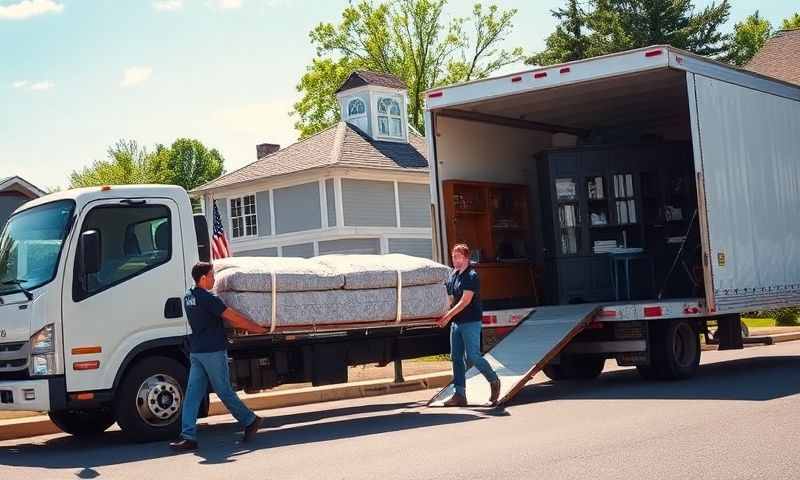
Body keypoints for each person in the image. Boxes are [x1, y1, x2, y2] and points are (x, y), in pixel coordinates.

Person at [169, 262, 268, 452]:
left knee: (192, 395)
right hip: (213, 351)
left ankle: (188, 435)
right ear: (203, 278)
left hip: (197, 352)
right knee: (224, 391)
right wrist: (257, 328)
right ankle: (250, 420)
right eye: (212, 276)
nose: (214, 279)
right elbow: (232, 316)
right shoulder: (208, 298)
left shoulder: (188, 296)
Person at [437, 244, 501, 407]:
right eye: (453, 256)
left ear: (466, 258)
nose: (454, 259)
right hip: (457, 323)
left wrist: (448, 316)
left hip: (471, 321)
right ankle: (459, 395)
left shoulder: (471, 276)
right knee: (456, 358)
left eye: (457, 256)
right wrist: (442, 313)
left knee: (472, 356)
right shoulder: (453, 275)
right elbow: (451, 299)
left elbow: (465, 301)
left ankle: (493, 380)